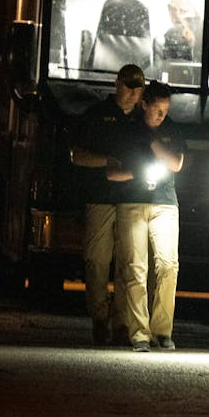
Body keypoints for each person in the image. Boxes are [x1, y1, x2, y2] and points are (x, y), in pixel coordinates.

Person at [70, 63, 146, 346]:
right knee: (97, 260)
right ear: (116, 84)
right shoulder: (96, 115)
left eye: (137, 89)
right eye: (127, 87)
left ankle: (122, 323)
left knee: (129, 264)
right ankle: (99, 318)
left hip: (134, 200)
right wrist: (106, 162)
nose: (131, 93)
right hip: (100, 197)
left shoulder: (144, 120)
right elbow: (76, 155)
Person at [107, 81, 185, 352]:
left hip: (165, 204)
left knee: (168, 266)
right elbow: (111, 172)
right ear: (143, 105)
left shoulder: (171, 129)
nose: (161, 116)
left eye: (165, 110)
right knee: (135, 268)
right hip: (131, 203)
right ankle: (139, 332)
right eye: (156, 109)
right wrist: (137, 175)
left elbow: (176, 164)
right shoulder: (126, 130)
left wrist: (153, 143)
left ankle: (162, 330)